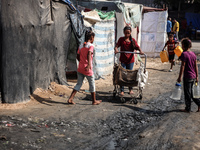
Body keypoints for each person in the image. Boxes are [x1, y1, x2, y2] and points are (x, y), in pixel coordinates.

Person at [67, 30, 102, 105]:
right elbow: (89, 54)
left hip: (80, 67)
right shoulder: (91, 46)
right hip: (87, 68)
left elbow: (77, 56)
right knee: (92, 84)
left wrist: (82, 62)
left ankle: (70, 98)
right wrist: (89, 64)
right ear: (92, 37)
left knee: (79, 84)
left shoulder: (81, 45)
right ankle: (94, 101)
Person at [114, 26, 144, 96]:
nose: (127, 34)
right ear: (124, 32)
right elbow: (117, 45)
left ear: (130, 33)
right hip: (123, 60)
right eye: (126, 33)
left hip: (130, 61)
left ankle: (130, 89)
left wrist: (141, 51)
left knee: (129, 75)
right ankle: (122, 90)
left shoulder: (132, 40)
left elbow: (137, 47)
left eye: (128, 33)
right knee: (122, 75)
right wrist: (116, 49)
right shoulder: (121, 39)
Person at [177, 38, 200, 112]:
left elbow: (183, 66)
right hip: (193, 76)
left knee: (187, 93)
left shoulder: (184, 54)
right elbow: (196, 66)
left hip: (187, 76)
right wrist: (197, 76)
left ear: (183, 45)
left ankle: (188, 108)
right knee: (193, 94)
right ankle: (199, 105)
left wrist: (180, 77)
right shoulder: (193, 54)